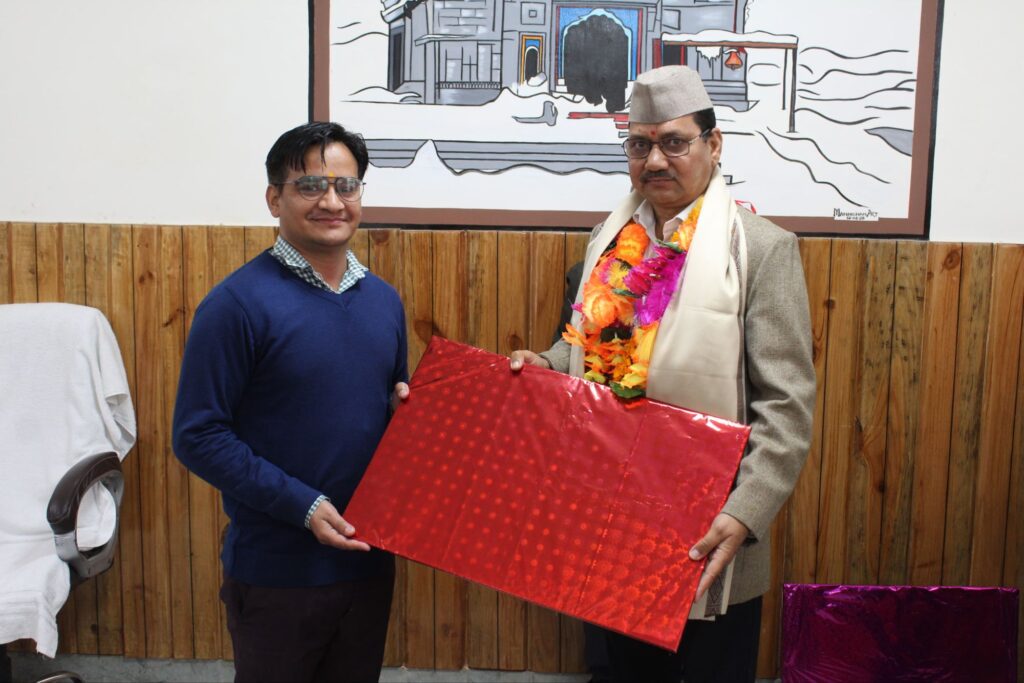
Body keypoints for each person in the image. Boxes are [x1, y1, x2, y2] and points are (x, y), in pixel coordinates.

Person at [511, 65, 816, 683]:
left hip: (712, 532)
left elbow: (785, 407)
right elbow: (591, 347)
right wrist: (545, 364)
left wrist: (744, 513)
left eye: (674, 142)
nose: (654, 161)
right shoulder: (607, 241)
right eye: (639, 145)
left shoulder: (760, 249)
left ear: (714, 144)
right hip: (612, 523)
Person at [172, 121, 409, 683]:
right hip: (277, 572)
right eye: (310, 186)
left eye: (346, 186)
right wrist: (303, 506)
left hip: (368, 562)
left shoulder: (383, 301)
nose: (332, 202)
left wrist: (410, 419)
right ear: (274, 199)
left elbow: (386, 411)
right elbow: (198, 435)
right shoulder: (235, 305)